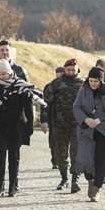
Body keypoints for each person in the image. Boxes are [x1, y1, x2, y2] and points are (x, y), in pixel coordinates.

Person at [0, 59, 45, 197]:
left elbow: (28, 106)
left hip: (16, 125)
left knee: (14, 156)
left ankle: (13, 185)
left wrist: (30, 124)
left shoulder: (20, 85)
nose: (2, 77)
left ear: (10, 72)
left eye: (4, 74)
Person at [73, 67, 105, 202]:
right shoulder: (83, 91)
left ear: (102, 81)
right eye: (91, 81)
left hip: (104, 131)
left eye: (96, 81)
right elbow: (76, 107)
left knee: (101, 160)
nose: (93, 84)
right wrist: (86, 120)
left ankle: (97, 188)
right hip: (87, 129)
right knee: (87, 159)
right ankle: (90, 181)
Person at [0, 40, 29, 171]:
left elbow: (27, 95)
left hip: (15, 117)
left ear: (11, 52)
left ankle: (14, 182)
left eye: (7, 50)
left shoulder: (20, 71)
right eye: (2, 50)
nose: (5, 52)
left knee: (14, 153)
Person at [41, 58, 85, 192]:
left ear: (77, 69)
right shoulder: (56, 84)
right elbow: (45, 103)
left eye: (73, 70)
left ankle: (75, 179)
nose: (71, 72)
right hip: (58, 124)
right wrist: (44, 120)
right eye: (68, 70)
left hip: (77, 124)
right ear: (65, 70)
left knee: (76, 152)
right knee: (60, 153)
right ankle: (64, 178)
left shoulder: (83, 84)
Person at [48, 66, 65, 169]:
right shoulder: (50, 86)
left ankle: (64, 161)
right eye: (58, 75)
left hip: (67, 119)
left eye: (61, 75)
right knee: (53, 141)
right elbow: (46, 104)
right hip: (53, 119)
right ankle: (54, 160)